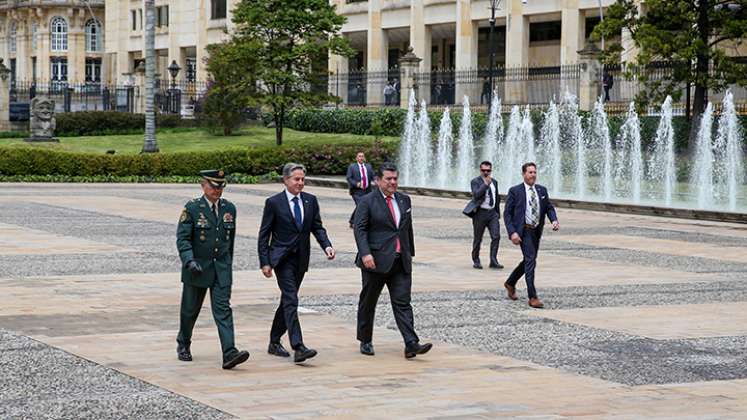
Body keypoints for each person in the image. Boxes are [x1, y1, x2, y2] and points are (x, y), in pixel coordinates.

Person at [258, 163, 336, 363]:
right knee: (291, 299)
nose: (300, 183)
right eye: (296, 179)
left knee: (287, 300)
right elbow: (264, 234)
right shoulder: (274, 203)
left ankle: (274, 341)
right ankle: (298, 346)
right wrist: (265, 261)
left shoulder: (310, 201)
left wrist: (326, 245)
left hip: (301, 258)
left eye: (302, 179)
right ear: (286, 180)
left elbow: (317, 227)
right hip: (282, 259)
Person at [353, 163, 432, 359]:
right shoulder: (367, 201)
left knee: (403, 302)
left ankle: (411, 343)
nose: (393, 182)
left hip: (400, 261)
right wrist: (365, 253)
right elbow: (360, 229)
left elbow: (407, 228)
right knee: (369, 301)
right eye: (388, 179)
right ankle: (365, 340)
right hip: (376, 261)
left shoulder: (405, 200)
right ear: (378, 180)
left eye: (395, 178)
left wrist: (409, 252)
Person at [176, 170, 250, 370]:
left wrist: (228, 266)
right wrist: (189, 261)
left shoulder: (229, 209)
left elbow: (230, 242)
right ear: (203, 185)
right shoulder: (192, 208)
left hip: (221, 269)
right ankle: (183, 342)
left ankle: (229, 352)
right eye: (213, 186)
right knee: (190, 310)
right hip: (197, 268)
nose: (217, 190)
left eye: (221, 186)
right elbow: (183, 239)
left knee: (223, 310)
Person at [503, 162, 559, 309]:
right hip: (523, 230)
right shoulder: (515, 191)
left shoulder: (541, 190)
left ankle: (510, 282)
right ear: (523, 174)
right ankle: (532, 297)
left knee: (529, 259)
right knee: (530, 261)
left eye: (534, 172)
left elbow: (548, 207)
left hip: (536, 230)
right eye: (530, 172)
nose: (533, 175)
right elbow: (507, 214)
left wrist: (554, 220)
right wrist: (512, 232)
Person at [463, 161, 503, 270]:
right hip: (480, 213)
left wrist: (497, 213)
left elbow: (497, 197)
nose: (486, 172)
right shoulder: (475, 181)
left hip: (492, 213)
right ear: (480, 170)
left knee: (496, 236)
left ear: (491, 170)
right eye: (483, 170)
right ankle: (476, 260)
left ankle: (493, 260)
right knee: (478, 238)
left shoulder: (494, 182)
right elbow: (476, 195)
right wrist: (485, 185)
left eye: (488, 170)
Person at [346, 151, 375, 228]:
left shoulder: (368, 166)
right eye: (359, 156)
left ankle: (352, 221)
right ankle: (357, 222)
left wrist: (377, 181)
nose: (361, 158)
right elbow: (349, 178)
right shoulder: (352, 167)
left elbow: (373, 176)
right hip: (356, 191)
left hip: (367, 191)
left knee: (364, 206)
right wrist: (356, 184)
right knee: (360, 205)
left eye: (362, 156)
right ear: (356, 158)